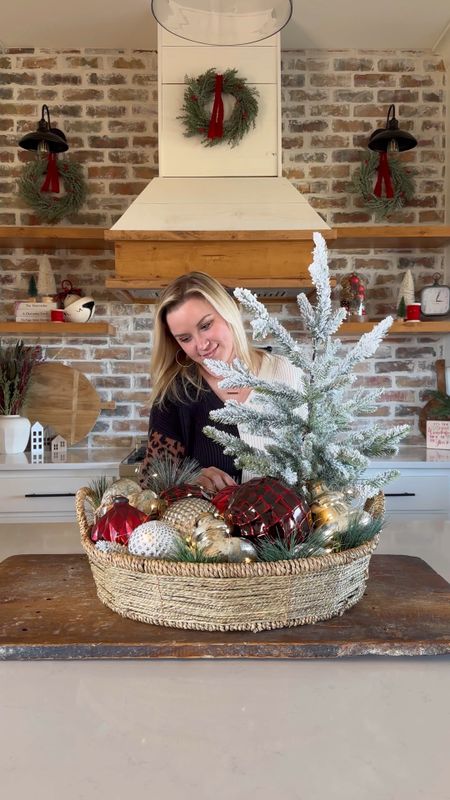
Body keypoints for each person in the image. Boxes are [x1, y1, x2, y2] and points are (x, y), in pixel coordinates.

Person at [140, 271, 302, 494]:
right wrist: (190, 480)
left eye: (206, 325)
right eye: (185, 338)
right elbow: (151, 483)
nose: (201, 345)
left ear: (229, 313)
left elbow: (319, 458)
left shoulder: (288, 372)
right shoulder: (176, 394)